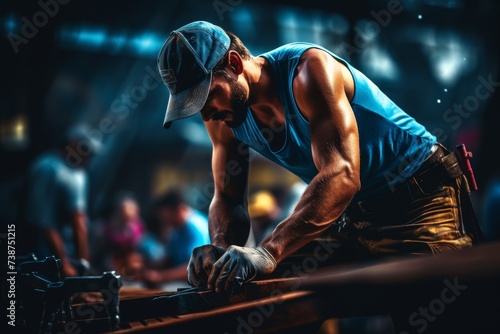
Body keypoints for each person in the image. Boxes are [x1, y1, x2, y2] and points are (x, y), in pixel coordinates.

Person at [156, 21, 483, 295]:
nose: (206, 111)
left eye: (208, 95)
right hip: (354, 215)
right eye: (195, 104)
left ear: (235, 64)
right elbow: (227, 197)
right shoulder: (221, 116)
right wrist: (221, 250)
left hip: (422, 199)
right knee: (259, 291)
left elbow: (342, 175)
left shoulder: (309, 72)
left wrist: (268, 250)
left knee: (431, 304)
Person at [21, 123, 100, 278]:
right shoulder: (47, 168)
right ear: (72, 143)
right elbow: (44, 222)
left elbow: (79, 220)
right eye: (87, 150)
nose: (89, 157)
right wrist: (63, 263)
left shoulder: (78, 173)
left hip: (69, 257)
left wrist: (83, 266)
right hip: (43, 258)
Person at [138, 188, 210, 289]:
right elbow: (169, 259)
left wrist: (159, 276)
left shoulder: (195, 227)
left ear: (178, 209)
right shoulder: (177, 228)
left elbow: (194, 268)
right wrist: (146, 268)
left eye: (166, 218)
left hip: (198, 286)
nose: (165, 222)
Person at [92, 191, 145, 279]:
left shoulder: (139, 227)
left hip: (131, 267)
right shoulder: (105, 228)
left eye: (133, 210)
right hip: (110, 264)